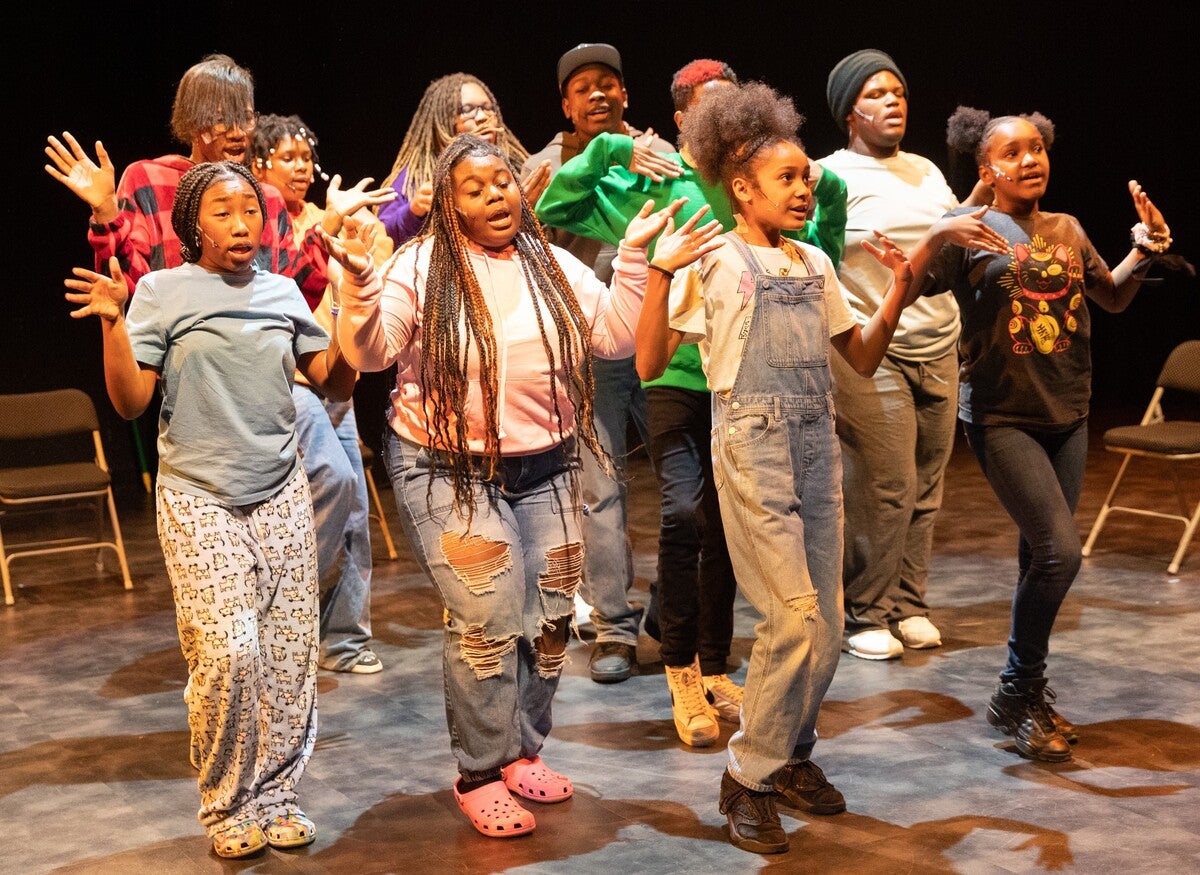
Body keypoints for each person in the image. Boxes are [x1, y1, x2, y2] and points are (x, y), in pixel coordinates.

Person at [635, 81, 1002, 855]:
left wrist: (900, 285)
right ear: (741, 186)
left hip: (815, 445)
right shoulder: (714, 258)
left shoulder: (813, 261)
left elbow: (862, 359)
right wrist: (660, 271)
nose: (806, 190)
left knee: (828, 626)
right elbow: (649, 362)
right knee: (792, 617)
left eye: (808, 177)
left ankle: (791, 753)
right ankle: (748, 776)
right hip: (752, 445)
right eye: (788, 178)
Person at [332, 133, 719, 838]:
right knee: (487, 611)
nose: (495, 196)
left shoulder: (551, 262)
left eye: (503, 182)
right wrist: (358, 283)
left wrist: (639, 260)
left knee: (546, 616)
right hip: (447, 466)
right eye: (474, 189)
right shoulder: (419, 267)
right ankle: (479, 769)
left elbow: (615, 338)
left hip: (547, 462)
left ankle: (521, 752)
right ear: (449, 207)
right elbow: (371, 351)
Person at [536, 57, 848, 745]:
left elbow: (821, 255)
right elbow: (553, 207)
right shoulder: (658, 175)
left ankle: (711, 662)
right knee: (684, 513)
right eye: (713, 108)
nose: (730, 119)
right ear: (682, 119)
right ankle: (678, 664)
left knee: (729, 528)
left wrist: (828, 193)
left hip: (748, 379)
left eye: (738, 105)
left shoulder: (762, 186)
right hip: (676, 369)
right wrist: (614, 149)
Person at [62, 161, 361, 858]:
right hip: (199, 495)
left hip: (280, 491)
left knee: (289, 657)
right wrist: (112, 323)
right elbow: (131, 402)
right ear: (193, 222)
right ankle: (227, 799)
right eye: (224, 212)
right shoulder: (162, 291)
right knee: (230, 652)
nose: (242, 225)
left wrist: (350, 307)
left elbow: (332, 380)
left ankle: (278, 792)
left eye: (251, 212)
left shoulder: (284, 291)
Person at [915, 106, 1172, 762]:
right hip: (1002, 417)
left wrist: (1142, 251)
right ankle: (1017, 688)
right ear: (988, 170)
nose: (1030, 160)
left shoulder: (1067, 227)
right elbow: (915, 282)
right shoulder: (973, 230)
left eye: (1037, 149)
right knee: (1062, 553)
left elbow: (1110, 297)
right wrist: (946, 228)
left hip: (1069, 413)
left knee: (1040, 556)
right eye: (1014, 152)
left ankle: (1024, 695)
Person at [819, 49, 982, 660]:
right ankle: (867, 610)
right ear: (849, 112)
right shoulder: (824, 174)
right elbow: (818, 254)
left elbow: (951, 250)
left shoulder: (926, 172)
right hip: (869, 346)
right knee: (885, 482)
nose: (894, 102)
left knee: (928, 482)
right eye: (878, 94)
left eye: (900, 93)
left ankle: (909, 603)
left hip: (937, 339)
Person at [524, 42, 676, 684]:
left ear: (626, 95)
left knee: (689, 484)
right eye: (582, 86)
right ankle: (614, 628)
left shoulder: (662, 156)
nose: (597, 94)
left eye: (608, 83)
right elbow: (524, 239)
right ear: (565, 104)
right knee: (602, 489)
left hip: (667, 342)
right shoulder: (543, 165)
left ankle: (671, 615)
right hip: (593, 350)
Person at [251, 114, 394, 674]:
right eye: (287, 158)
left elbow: (376, 266)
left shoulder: (327, 220)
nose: (301, 167)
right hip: (290, 383)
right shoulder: (260, 223)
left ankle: (343, 640)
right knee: (331, 484)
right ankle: (276, 612)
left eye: (306, 157)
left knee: (354, 507)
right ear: (260, 165)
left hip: (336, 379)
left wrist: (361, 241)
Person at [377, 73, 545, 249]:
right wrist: (413, 212)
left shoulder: (518, 169)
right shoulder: (414, 179)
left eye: (488, 108)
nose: (482, 117)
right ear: (442, 120)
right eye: (467, 110)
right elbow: (382, 240)